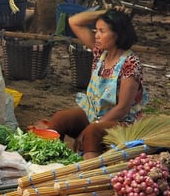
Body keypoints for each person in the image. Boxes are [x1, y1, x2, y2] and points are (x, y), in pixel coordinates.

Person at [44, 9, 147, 159]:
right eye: (96, 30)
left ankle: (88, 174)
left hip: (122, 121)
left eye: (102, 31)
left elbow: (122, 108)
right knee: (61, 118)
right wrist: (106, 11)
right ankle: (48, 161)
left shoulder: (130, 63)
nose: (96, 35)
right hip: (95, 112)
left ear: (117, 34)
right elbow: (74, 21)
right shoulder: (101, 53)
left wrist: (91, 126)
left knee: (92, 132)